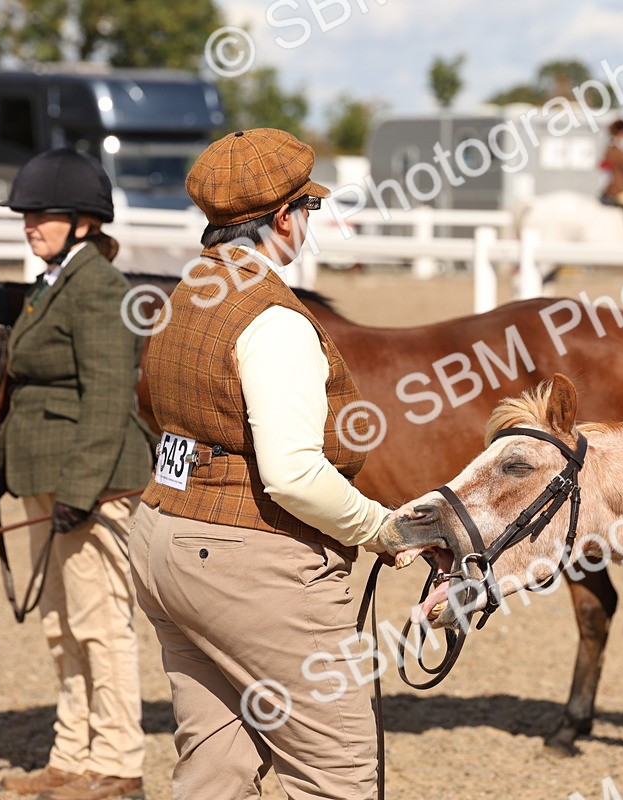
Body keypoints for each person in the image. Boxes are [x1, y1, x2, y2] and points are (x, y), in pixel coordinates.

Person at [129, 128, 393, 799]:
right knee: (336, 772)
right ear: (282, 219)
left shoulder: (185, 297)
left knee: (213, 769)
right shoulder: (274, 319)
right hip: (250, 562)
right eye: (306, 210)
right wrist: (379, 528)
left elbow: (159, 421)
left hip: (163, 536)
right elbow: (292, 473)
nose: (308, 222)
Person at [0, 149, 151, 799]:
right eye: (25, 214)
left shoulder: (101, 290)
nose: (28, 224)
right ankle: (71, 754)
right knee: (61, 623)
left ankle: (118, 763)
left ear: (82, 221)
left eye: (40, 214)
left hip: (95, 484)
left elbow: (108, 397)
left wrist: (79, 494)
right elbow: (33, 395)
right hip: (50, 477)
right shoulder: (53, 284)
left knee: (100, 623)